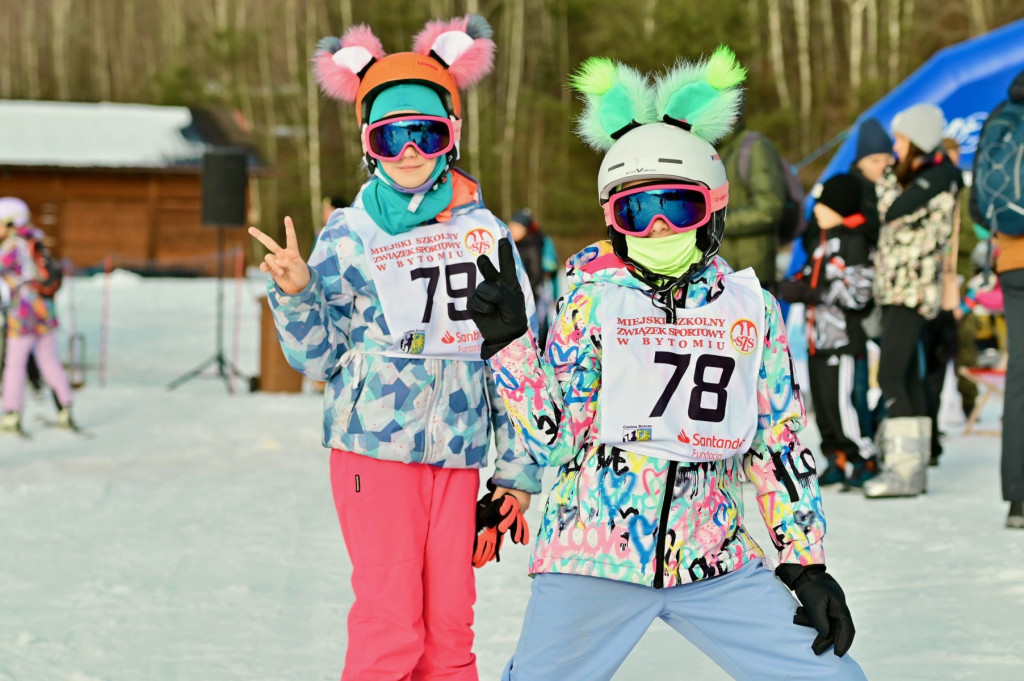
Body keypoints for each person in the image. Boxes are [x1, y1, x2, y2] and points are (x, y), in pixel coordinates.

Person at [467, 48, 865, 680]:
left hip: (713, 557)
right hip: (592, 557)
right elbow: (554, 434)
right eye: (635, 211)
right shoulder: (592, 305)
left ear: (713, 210)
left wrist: (805, 562)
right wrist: (510, 345)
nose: (656, 228)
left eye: (677, 208)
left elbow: (777, 441)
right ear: (613, 223)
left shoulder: (750, 310)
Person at [248, 16, 541, 679]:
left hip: (460, 452)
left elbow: (515, 351)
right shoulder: (349, 235)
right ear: (368, 146)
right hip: (375, 450)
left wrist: (519, 471)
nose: (409, 150)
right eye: (390, 136)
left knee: (450, 632)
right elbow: (318, 358)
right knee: (391, 625)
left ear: (451, 138)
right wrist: (299, 292)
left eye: (426, 133)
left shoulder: (485, 233)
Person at [865, 104, 962, 498]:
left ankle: (904, 469)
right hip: (900, 291)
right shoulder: (919, 178)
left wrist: (889, 178)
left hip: (911, 291)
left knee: (890, 373)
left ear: (917, 140)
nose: (894, 147)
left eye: (901, 139)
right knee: (905, 375)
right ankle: (913, 469)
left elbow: (899, 224)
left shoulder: (938, 181)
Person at [777, 174, 877, 489]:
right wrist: (793, 286)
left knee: (844, 405)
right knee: (823, 406)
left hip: (843, 340)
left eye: (822, 204)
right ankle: (837, 456)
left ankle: (863, 457)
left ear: (839, 207)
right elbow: (808, 276)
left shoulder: (854, 241)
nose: (816, 210)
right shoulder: (821, 242)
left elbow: (859, 294)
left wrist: (814, 292)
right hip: (817, 340)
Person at [970, 67, 1024, 528]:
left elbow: (978, 206)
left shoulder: (1000, 116)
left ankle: (1018, 499)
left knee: (1020, 376)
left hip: (1012, 260)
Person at [0, 197, 76, 435]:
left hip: (22, 315)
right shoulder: (35, 240)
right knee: (48, 360)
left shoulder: (13, 246)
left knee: (14, 364)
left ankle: (11, 414)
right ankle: (65, 407)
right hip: (44, 312)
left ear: (12, 223)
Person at [717, 97, 788, 288]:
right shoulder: (712, 149)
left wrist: (715, 223)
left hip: (751, 273)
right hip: (719, 271)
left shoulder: (755, 147)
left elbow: (769, 208)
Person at [506, 207, 559, 347]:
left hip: (531, 295)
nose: (511, 228)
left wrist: (554, 294)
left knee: (537, 328)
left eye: (516, 226)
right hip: (516, 295)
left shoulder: (534, 245)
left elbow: (542, 273)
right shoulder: (511, 243)